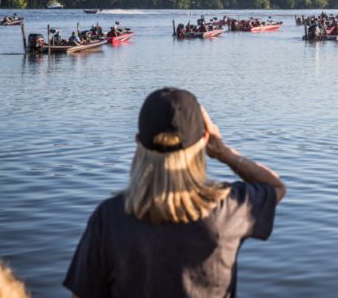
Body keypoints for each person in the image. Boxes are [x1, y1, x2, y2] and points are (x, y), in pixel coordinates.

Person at [63, 88, 286, 297]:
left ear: (138, 141)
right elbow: (276, 186)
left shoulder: (109, 218)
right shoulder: (230, 207)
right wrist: (223, 151)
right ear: (204, 139)